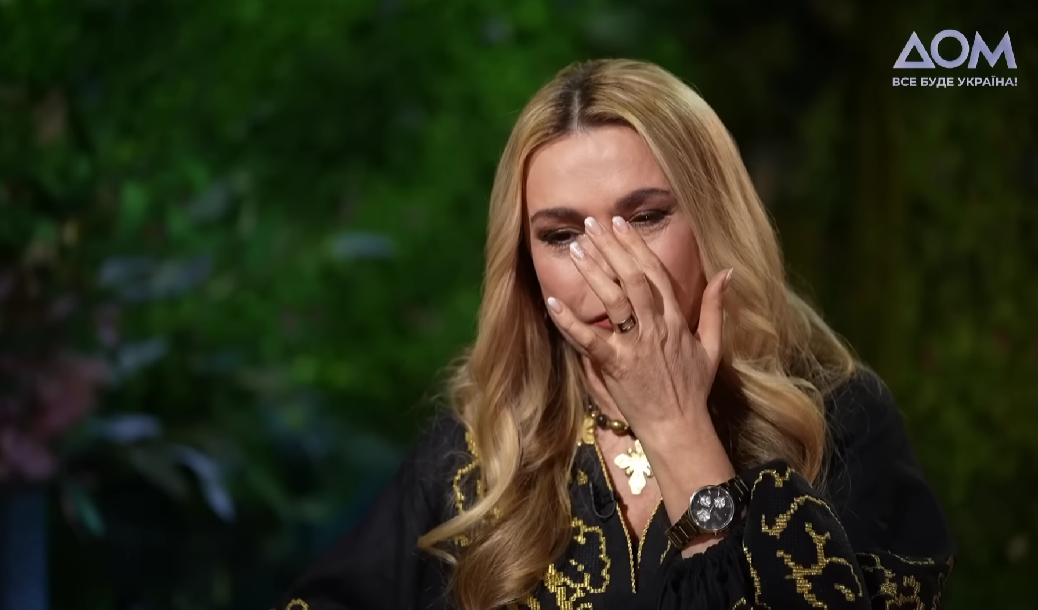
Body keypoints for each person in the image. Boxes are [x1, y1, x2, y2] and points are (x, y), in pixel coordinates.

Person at [277, 58, 954, 610]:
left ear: (714, 222)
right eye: (561, 234)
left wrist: (676, 424)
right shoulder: (479, 449)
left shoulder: (837, 418)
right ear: (524, 261)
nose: (606, 269)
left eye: (646, 218)